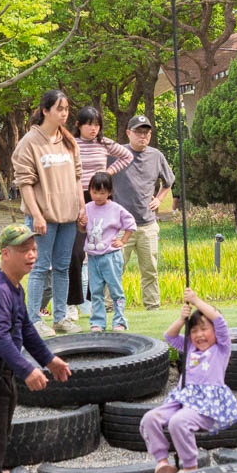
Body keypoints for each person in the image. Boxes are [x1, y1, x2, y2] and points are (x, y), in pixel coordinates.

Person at [0, 224, 72, 473]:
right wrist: (27, 370)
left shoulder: (13, 287)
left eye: (34, 249)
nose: (32, 255)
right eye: (24, 250)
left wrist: (49, 360)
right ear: (5, 254)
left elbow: (25, 327)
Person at [141, 287, 237, 473]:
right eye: (194, 330)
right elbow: (169, 336)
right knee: (149, 419)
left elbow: (219, 320)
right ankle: (162, 462)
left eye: (204, 329)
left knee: (178, 422)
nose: (199, 335)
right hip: (181, 400)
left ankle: (190, 466)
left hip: (206, 406)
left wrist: (195, 300)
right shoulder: (190, 347)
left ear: (216, 332)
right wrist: (182, 319)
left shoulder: (221, 349)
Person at [12, 90, 85, 338]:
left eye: (66, 109)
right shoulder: (30, 142)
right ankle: (33, 320)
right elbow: (25, 183)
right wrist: (37, 215)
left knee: (63, 267)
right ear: (45, 111)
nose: (64, 114)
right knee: (40, 267)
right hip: (43, 218)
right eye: (59, 109)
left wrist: (81, 207)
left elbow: (77, 177)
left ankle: (61, 317)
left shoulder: (69, 141)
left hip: (68, 217)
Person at [69, 106, 134, 321]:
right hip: (78, 198)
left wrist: (107, 173)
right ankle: (72, 302)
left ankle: (93, 301)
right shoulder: (71, 144)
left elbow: (126, 156)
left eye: (97, 125)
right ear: (78, 125)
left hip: (101, 200)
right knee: (76, 253)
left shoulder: (104, 143)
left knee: (100, 251)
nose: (93, 129)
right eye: (89, 124)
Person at [112, 115, 175, 311]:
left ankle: (152, 308)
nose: (143, 136)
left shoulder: (156, 156)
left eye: (146, 132)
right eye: (138, 132)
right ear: (128, 133)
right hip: (120, 226)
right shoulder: (117, 154)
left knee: (150, 270)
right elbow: (99, 178)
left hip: (147, 224)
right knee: (114, 269)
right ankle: (108, 308)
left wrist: (159, 199)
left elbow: (169, 181)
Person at [82, 171, 136, 332]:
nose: (98, 196)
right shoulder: (87, 208)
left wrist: (122, 241)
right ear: (89, 190)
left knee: (115, 290)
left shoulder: (116, 209)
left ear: (110, 192)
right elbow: (82, 228)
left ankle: (119, 320)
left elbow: (131, 224)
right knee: (96, 291)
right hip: (93, 257)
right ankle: (98, 322)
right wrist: (80, 223)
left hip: (111, 256)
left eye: (102, 193)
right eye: (94, 192)